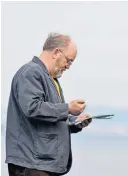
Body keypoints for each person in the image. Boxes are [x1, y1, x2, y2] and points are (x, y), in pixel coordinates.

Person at [5, 32, 93, 176]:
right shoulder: (31, 73)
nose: (68, 66)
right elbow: (32, 108)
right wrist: (68, 108)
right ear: (56, 52)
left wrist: (74, 122)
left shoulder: (50, 78)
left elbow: (49, 117)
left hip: (42, 163)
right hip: (31, 164)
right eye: (69, 60)